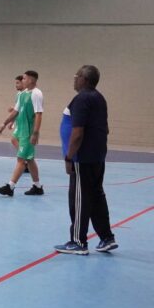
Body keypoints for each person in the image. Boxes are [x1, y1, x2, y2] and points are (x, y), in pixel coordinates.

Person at [54, 65, 117, 255]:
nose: (74, 79)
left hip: (83, 157)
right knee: (97, 197)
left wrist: (69, 156)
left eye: (76, 76)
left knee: (79, 199)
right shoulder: (99, 98)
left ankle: (78, 242)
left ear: (84, 78)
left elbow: (77, 133)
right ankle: (106, 238)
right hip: (98, 156)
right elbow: (105, 129)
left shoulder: (82, 99)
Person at [0, 70, 44, 196]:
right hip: (20, 131)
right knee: (30, 159)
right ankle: (37, 187)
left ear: (31, 80)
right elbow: (15, 112)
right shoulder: (22, 94)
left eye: (24, 78)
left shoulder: (36, 94)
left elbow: (39, 115)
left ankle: (10, 187)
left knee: (21, 159)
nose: (22, 81)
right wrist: (4, 123)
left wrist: (35, 133)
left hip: (28, 132)